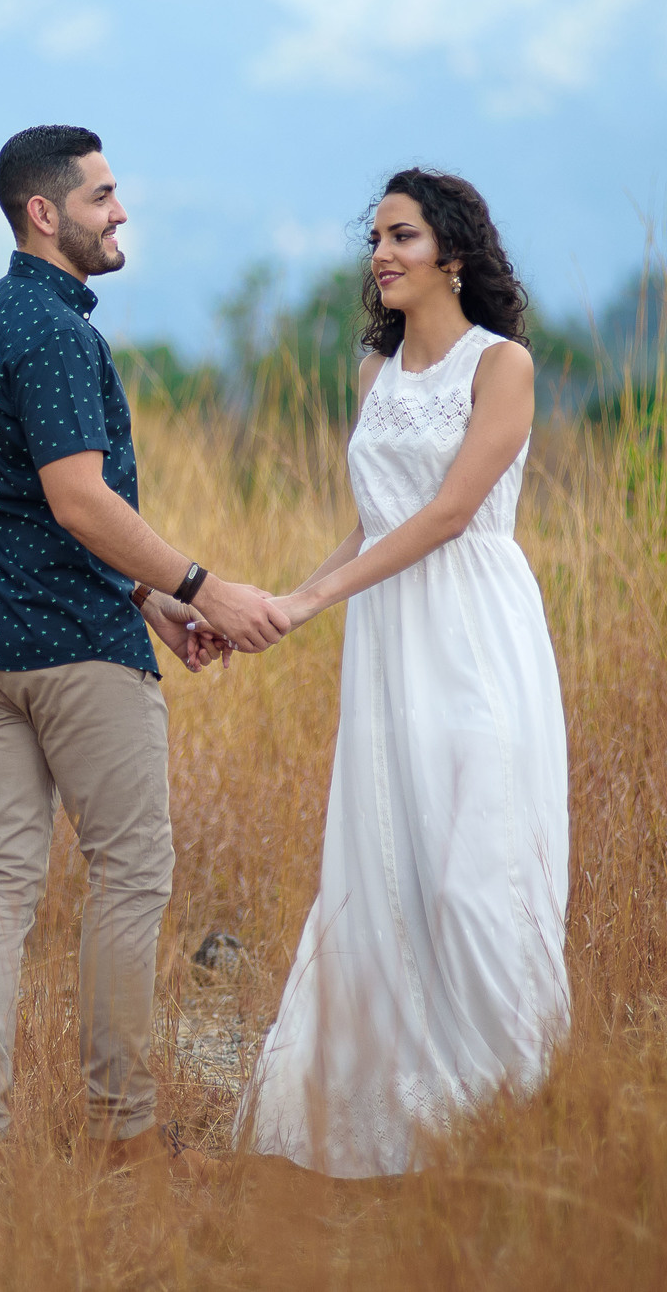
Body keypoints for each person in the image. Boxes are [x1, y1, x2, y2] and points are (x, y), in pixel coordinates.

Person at [0, 124, 289, 1172]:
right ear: (45, 213)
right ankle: (123, 1131)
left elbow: (14, 502)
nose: (119, 209)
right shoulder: (52, 332)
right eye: (101, 194)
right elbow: (76, 495)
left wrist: (143, 593)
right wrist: (197, 584)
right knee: (130, 875)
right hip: (71, 651)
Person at [232, 167, 571, 1178]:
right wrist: (285, 604)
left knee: (478, 863)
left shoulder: (498, 365)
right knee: (392, 855)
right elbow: (374, 521)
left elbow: (446, 514)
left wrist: (310, 601)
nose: (380, 253)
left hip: (472, 630)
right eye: (375, 237)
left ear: (452, 254)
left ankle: (508, 1101)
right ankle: (384, 1110)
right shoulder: (377, 374)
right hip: (386, 644)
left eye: (403, 236)